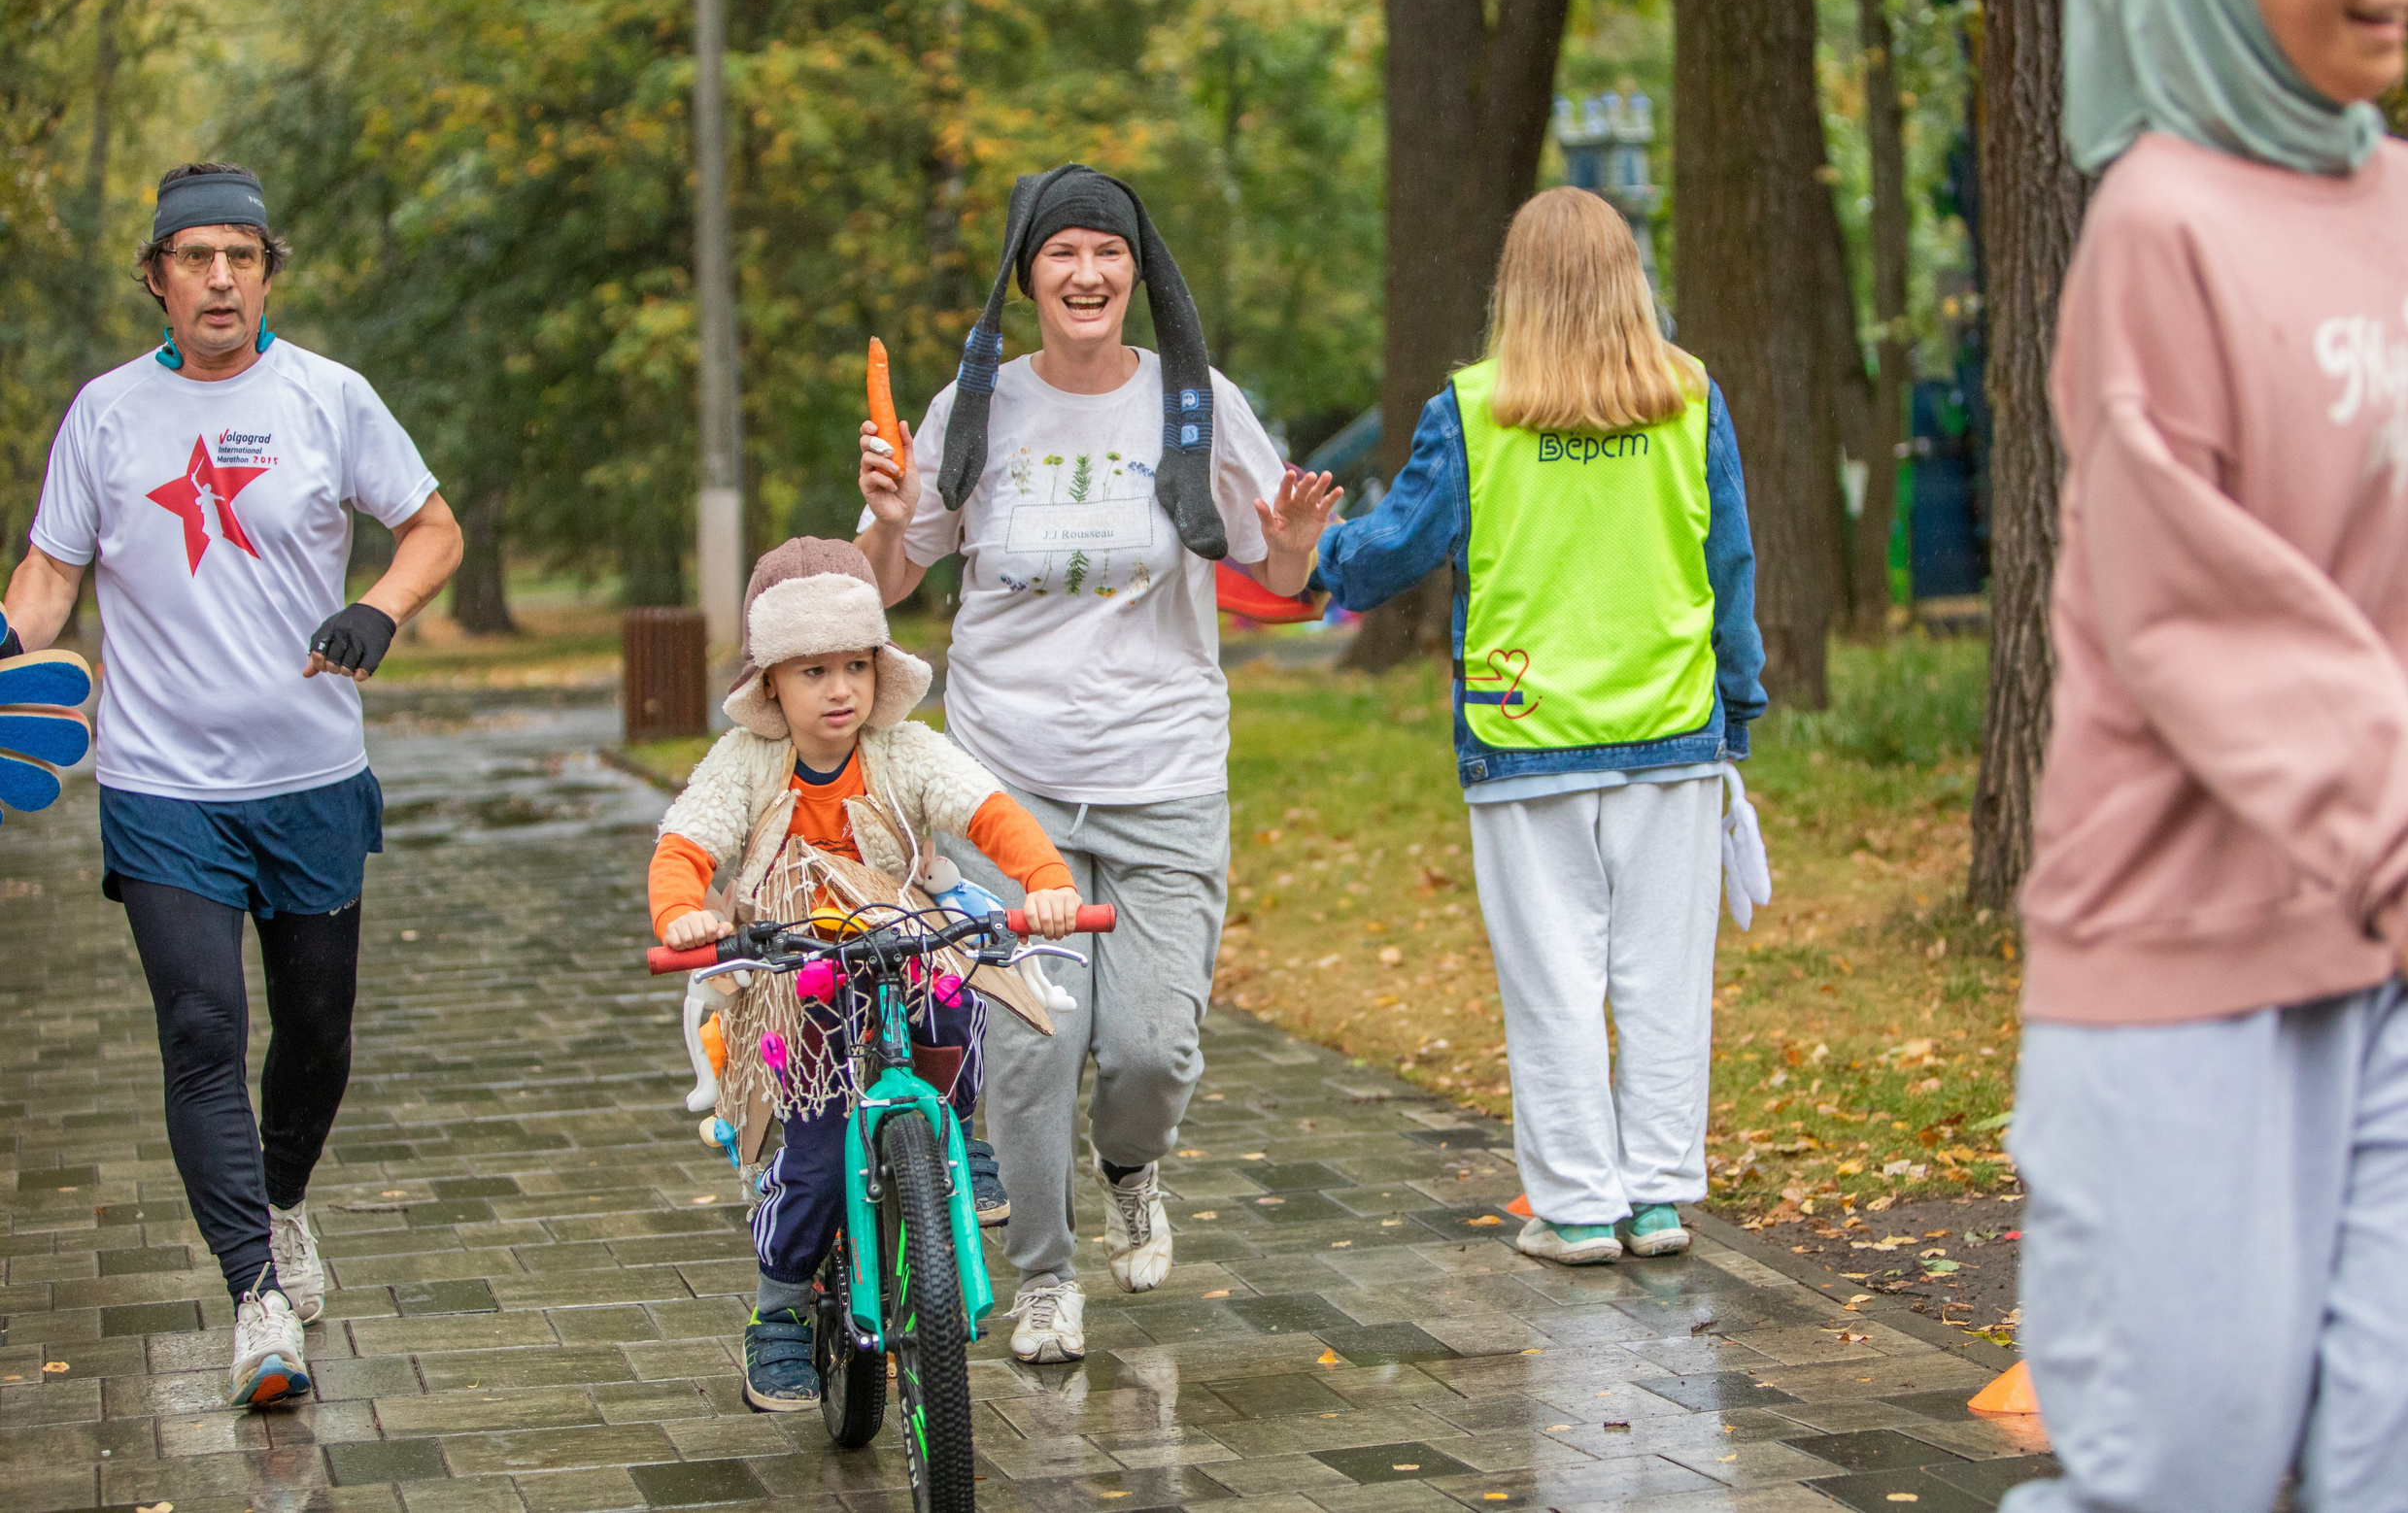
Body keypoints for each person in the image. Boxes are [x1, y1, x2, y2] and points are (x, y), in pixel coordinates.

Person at [2003, 0, 2408, 1505]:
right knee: (2187, 1471)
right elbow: (2192, 598)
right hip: (2192, 952)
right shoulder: (2162, 225)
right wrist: (2401, 836)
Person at [857, 165, 1338, 1362]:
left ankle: (1130, 1162)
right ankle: (1044, 1278)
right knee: (1030, 1047)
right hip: (1004, 778)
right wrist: (880, 515)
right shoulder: (973, 407)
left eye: (1107, 253)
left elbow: (1277, 574)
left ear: (1135, 272)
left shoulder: (1195, 402)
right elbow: (891, 584)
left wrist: (1290, 548)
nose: (1086, 273)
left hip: (1163, 770)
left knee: (1147, 1051)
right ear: (1028, 277)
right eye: (1062, 253)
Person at [1, 162, 462, 1407]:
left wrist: (379, 607)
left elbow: (433, 528)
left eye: (241, 256)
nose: (219, 277)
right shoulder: (103, 416)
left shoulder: (330, 397)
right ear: (155, 276)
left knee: (316, 1034)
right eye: (194, 256)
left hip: (310, 779)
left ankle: (285, 1197)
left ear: (267, 273)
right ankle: (254, 1294)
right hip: (161, 789)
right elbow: (47, 581)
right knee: (203, 1032)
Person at [1305, 185, 1765, 1266]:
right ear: (1628, 278)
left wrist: (1314, 550)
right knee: (1663, 982)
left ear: (1514, 287)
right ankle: (1656, 1201)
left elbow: (1390, 555)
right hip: (1668, 730)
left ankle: (1573, 1210)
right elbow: (1728, 564)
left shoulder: (1472, 408)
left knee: (1553, 983)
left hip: (1523, 739)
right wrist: (1733, 707)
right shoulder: (1690, 396)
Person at [647, 536, 1081, 1410]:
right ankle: (776, 1316)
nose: (840, 689)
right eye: (812, 671)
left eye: (855, 664)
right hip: (794, 962)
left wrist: (1047, 881)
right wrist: (684, 909)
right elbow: (685, 842)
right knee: (809, 1157)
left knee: (958, 984)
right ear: (770, 682)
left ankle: (961, 1128)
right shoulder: (747, 763)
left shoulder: (903, 750)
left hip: (902, 938)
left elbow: (988, 810)